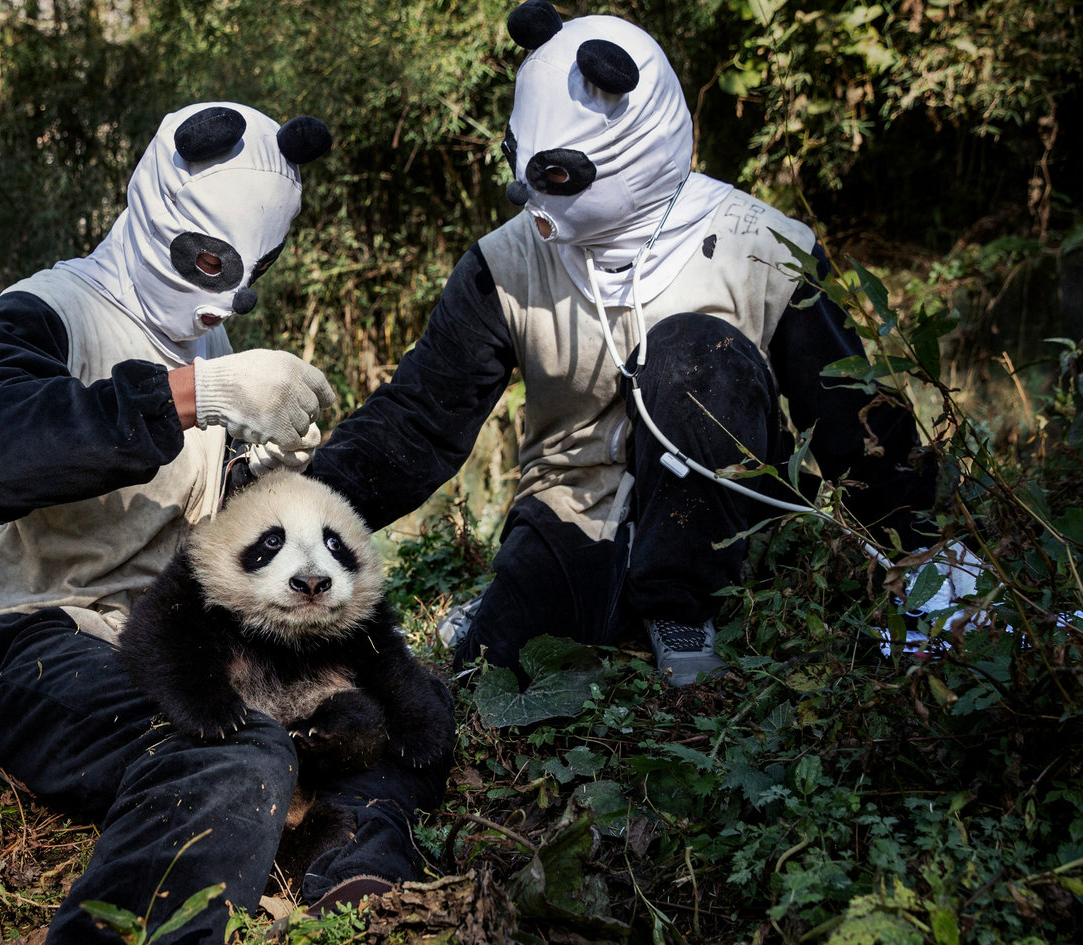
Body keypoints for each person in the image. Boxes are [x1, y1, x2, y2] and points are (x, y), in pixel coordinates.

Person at [0, 102, 444, 945]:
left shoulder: (214, 345)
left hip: (163, 631)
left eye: (244, 277)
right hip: (22, 642)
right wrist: (190, 395)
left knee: (395, 701)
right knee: (231, 750)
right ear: (160, 202)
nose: (219, 297)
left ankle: (356, 866)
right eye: (207, 259)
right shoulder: (52, 308)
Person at [306, 2, 939, 687]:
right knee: (493, 669)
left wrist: (923, 558)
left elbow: (856, 420)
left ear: (635, 147)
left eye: (552, 177)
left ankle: (681, 608)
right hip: (572, 502)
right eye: (522, 166)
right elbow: (420, 419)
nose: (528, 195)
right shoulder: (503, 264)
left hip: (725, 516)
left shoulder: (763, 247)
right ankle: (529, 603)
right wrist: (297, 514)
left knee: (691, 353)